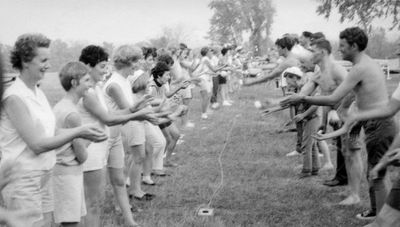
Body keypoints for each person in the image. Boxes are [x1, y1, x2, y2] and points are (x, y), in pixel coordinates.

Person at [281, 27, 397, 220]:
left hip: (379, 124)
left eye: (343, 46)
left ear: (354, 46)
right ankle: (378, 213)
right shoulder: (360, 66)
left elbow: (334, 97)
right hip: (369, 122)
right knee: (374, 172)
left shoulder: (360, 68)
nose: (340, 49)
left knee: (378, 174)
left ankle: (383, 219)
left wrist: (304, 100)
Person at [0, 33, 106, 227]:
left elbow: (53, 133)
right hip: (23, 179)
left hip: (44, 174)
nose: (48, 65)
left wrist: (85, 130)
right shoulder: (14, 97)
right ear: (25, 61)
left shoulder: (37, 92)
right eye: (43, 60)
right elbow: (37, 144)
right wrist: (78, 132)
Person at [79, 45, 153, 226]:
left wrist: (133, 108)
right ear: (88, 66)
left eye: (107, 66)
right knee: (94, 201)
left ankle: (130, 222)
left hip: (109, 140)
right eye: (102, 66)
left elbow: (113, 115)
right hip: (94, 146)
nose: (106, 71)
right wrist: (137, 114)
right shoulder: (87, 92)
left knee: (119, 182)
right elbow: (108, 120)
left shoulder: (97, 88)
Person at [104, 45, 155, 203]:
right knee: (132, 159)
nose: (138, 64)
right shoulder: (115, 84)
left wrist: (144, 104)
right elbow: (127, 110)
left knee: (137, 157)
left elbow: (132, 106)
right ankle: (131, 192)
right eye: (135, 61)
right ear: (126, 62)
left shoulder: (124, 80)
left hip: (127, 125)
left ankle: (134, 190)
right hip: (120, 128)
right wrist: (150, 115)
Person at [295, 38, 348, 187]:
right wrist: (324, 123)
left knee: (349, 148)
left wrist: (338, 111)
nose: (310, 54)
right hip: (337, 115)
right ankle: (341, 177)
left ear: (323, 52)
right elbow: (324, 98)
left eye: (313, 51)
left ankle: (347, 183)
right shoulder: (320, 73)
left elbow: (352, 91)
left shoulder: (336, 69)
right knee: (341, 145)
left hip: (349, 114)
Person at [52, 62, 93, 227]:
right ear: (75, 83)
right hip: (68, 174)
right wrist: (92, 137)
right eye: (87, 81)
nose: (90, 86)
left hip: (62, 173)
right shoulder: (72, 114)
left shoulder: (61, 106)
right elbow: (81, 155)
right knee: (71, 223)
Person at [149, 61, 190, 167]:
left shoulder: (161, 84)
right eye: (167, 75)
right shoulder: (151, 87)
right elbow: (155, 107)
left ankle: (165, 161)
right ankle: (155, 164)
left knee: (175, 136)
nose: (169, 77)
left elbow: (166, 96)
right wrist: (175, 112)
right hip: (156, 118)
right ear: (159, 75)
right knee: (165, 140)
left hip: (163, 115)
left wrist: (180, 87)